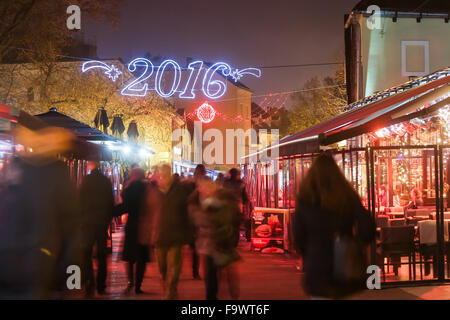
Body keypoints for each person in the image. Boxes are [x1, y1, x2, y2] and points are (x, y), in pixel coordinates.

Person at [0, 126, 81, 299]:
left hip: (7, 262)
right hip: (38, 263)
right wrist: (73, 280)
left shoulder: (16, 170)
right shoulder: (58, 173)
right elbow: (72, 231)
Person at [294, 153, 375, 299]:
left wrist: (308, 252)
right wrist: (357, 243)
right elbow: (367, 225)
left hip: (317, 264)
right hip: (345, 262)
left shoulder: (306, 198)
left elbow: (298, 235)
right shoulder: (347, 195)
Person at [189, 176, 242, 300]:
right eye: (200, 188)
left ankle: (230, 296)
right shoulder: (197, 199)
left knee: (225, 274)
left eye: (203, 187)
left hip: (223, 242)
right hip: (209, 244)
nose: (201, 190)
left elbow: (233, 218)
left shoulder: (224, 198)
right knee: (212, 275)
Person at [153, 164, 192, 299]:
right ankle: (167, 285)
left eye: (165, 174)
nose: (162, 178)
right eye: (161, 175)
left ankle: (171, 291)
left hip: (176, 236)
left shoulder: (180, 191)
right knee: (163, 268)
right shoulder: (154, 192)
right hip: (159, 236)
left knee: (174, 267)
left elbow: (186, 214)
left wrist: (187, 236)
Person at [79, 161, 115, 296]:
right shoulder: (105, 181)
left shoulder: (86, 181)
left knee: (86, 254)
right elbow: (110, 202)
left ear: (90, 165)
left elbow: (80, 201)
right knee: (102, 256)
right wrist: (107, 219)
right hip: (101, 224)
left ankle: (89, 283)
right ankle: (101, 285)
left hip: (88, 223)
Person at [121, 166, 155, 294]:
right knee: (141, 258)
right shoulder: (147, 189)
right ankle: (138, 285)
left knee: (130, 258)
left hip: (132, 225)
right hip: (144, 225)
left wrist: (110, 211)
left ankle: (130, 281)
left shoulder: (129, 189)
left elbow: (125, 206)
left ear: (133, 175)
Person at [223, 168, 251, 241]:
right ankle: (235, 240)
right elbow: (244, 196)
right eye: (238, 174)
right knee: (236, 224)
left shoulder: (226, 183)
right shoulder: (241, 184)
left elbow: (222, 194)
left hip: (227, 207)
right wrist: (246, 202)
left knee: (229, 224)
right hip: (237, 207)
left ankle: (229, 239)